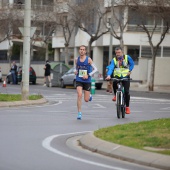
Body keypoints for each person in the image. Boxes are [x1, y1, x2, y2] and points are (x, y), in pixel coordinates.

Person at [106, 47, 134, 114]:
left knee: (127, 92)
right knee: (115, 83)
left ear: (122, 52)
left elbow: (132, 64)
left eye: (119, 52)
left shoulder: (127, 57)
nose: (118, 54)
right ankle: (116, 95)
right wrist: (109, 75)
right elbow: (111, 68)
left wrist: (130, 70)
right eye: (116, 53)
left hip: (126, 76)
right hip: (117, 76)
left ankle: (127, 107)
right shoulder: (114, 60)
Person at [74, 45, 98, 120]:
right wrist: (75, 71)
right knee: (79, 94)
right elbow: (75, 68)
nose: (82, 51)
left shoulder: (88, 60)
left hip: (87, 80)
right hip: (79, 79)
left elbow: (95, 69)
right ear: (79, 50)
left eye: (83, 49)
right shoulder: (76, 59)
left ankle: (89, 96)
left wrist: (88, 75)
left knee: (86, 100)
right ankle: (79, 113)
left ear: (85, 51)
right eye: (80, 49)